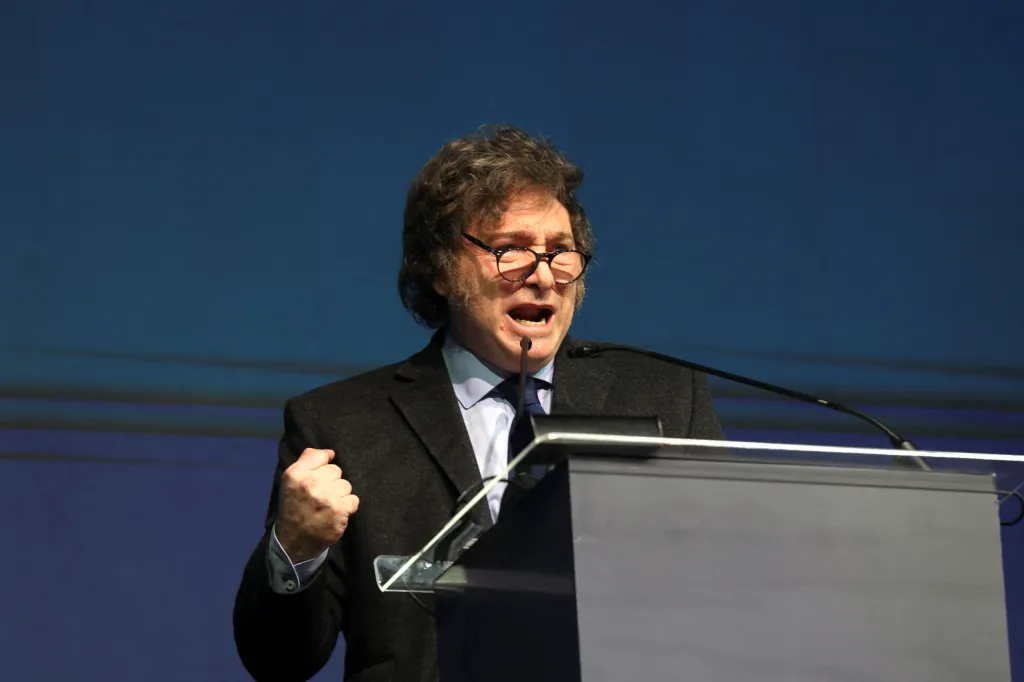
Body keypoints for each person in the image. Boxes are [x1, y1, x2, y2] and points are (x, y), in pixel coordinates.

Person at [232, 124, 725, 682]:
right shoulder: (340, 424)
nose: (542, 276)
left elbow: (729, 593)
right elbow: (278, 660)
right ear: (440, 269)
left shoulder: (665, 396)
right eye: (511, 250)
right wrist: (295, 547)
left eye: (561, 253)